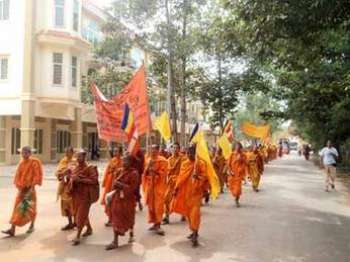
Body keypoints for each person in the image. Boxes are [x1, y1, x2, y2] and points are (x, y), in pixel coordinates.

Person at [2, 146, 43, 237]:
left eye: (26, 153)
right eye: (22, 153)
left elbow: (37, 176)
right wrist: (19, 186)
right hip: (22, 189)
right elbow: (17, 176)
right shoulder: (21, 163)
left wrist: (31, 188)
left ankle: (32, 226)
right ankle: (12, 229)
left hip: (30, 189)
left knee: (30, 208)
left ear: (30, 153)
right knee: (17, 207)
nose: (24, 155)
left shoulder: (35, 162)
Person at [171, 145, 208, 247]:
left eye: (191, 153)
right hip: (186, 193)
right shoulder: (185, 163)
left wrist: (198, 177)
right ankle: (193, 230)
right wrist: (176, 189)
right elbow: (181, 177)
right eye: (188, 153)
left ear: (195, 154)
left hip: (196, 194)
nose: (189, 155)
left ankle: (195, 234)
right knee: (188, 214)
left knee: (195, 214)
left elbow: (204, 177)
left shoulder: (200, 163)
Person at [105, 155, 139, 250]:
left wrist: (121, 185)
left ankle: (131, 234)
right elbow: (114, 184)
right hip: (118, 198)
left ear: (131, 163)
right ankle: (115, 241)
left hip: (128, 199)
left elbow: (133, 189)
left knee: (129, 218)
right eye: (123, 161)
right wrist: (115, 184)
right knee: (115, 217)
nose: (123, 163)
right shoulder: (120, 171)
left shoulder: (134, 173)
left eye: (126, 161)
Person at [69, 150, 99, 246]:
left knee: (80, 215)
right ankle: (89, 229)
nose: (78, 159)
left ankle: (78, 236)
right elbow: (72, 178)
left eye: (80, 157)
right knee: (79, 213)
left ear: (85, 157)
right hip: (76, 195)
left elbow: (94, 181)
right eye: (77, 157)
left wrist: (81, 180)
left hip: (86, 195)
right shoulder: (76, 167)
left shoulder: (90, 168)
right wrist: (68, 178)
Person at [142, 144, 168, 235]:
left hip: (158, 187)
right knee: (151, 206)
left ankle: (159, 225)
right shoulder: (148, 160)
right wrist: (148, 167)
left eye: (154, 149)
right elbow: (145, 173)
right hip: (150, 186)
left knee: (158, 206)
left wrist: (155, 172)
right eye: (151, 149)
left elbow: (164, 174)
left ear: (158, 150)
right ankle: (154, 223)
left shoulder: (163, 161)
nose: (152, 151)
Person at [55, 147, 77, 231]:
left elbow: (78, 171)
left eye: (69, 152)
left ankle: (76, 222)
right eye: (66, 152)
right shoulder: (63, 161)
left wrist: (71, 174)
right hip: (64, 187)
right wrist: (62, 173)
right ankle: (70, 223)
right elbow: (57, 172)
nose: (67, 154)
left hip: (73, 186)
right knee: (66, 206)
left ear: (72, 152)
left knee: (74, 205)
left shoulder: (75, 161)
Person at [101, 147, 123, 226]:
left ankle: (115, 219)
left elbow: (123, 172)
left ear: (120, 153)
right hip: (110, 184)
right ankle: (110, 219)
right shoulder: (112, 160)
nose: (115, 153)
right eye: (114, 151)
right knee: (109, 201)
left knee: (116, 202)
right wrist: (104, 182)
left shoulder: (122, 161)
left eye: (116, 151)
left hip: (117, 185)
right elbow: (107, 171)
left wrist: (117, 171)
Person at [163, 143, 183, 224]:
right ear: (171, 149)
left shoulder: (182, 159)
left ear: (179, 149)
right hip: (171, 181)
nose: (175, 149)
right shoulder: (169, 160)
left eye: (176, 148)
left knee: (180, 199)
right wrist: (173, 166)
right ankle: (166, 216)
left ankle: (183, 214)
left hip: (179, 181)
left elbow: (184, 170)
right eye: (173, 148)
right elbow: (167, 171)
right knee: (166, 199)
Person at [227, 142, 247, 207]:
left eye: (239, 147)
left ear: (241, 148)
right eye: (236, 147)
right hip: (232, 174)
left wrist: (240, 158)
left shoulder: (243, 155)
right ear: (235, 147)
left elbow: (245, 163)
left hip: (238, 174)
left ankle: (237, 200)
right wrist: (230, 171)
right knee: (231, 187)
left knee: (238, 189)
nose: (237, 148)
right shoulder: (232, 155)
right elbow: (228, 164)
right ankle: (235, 197)